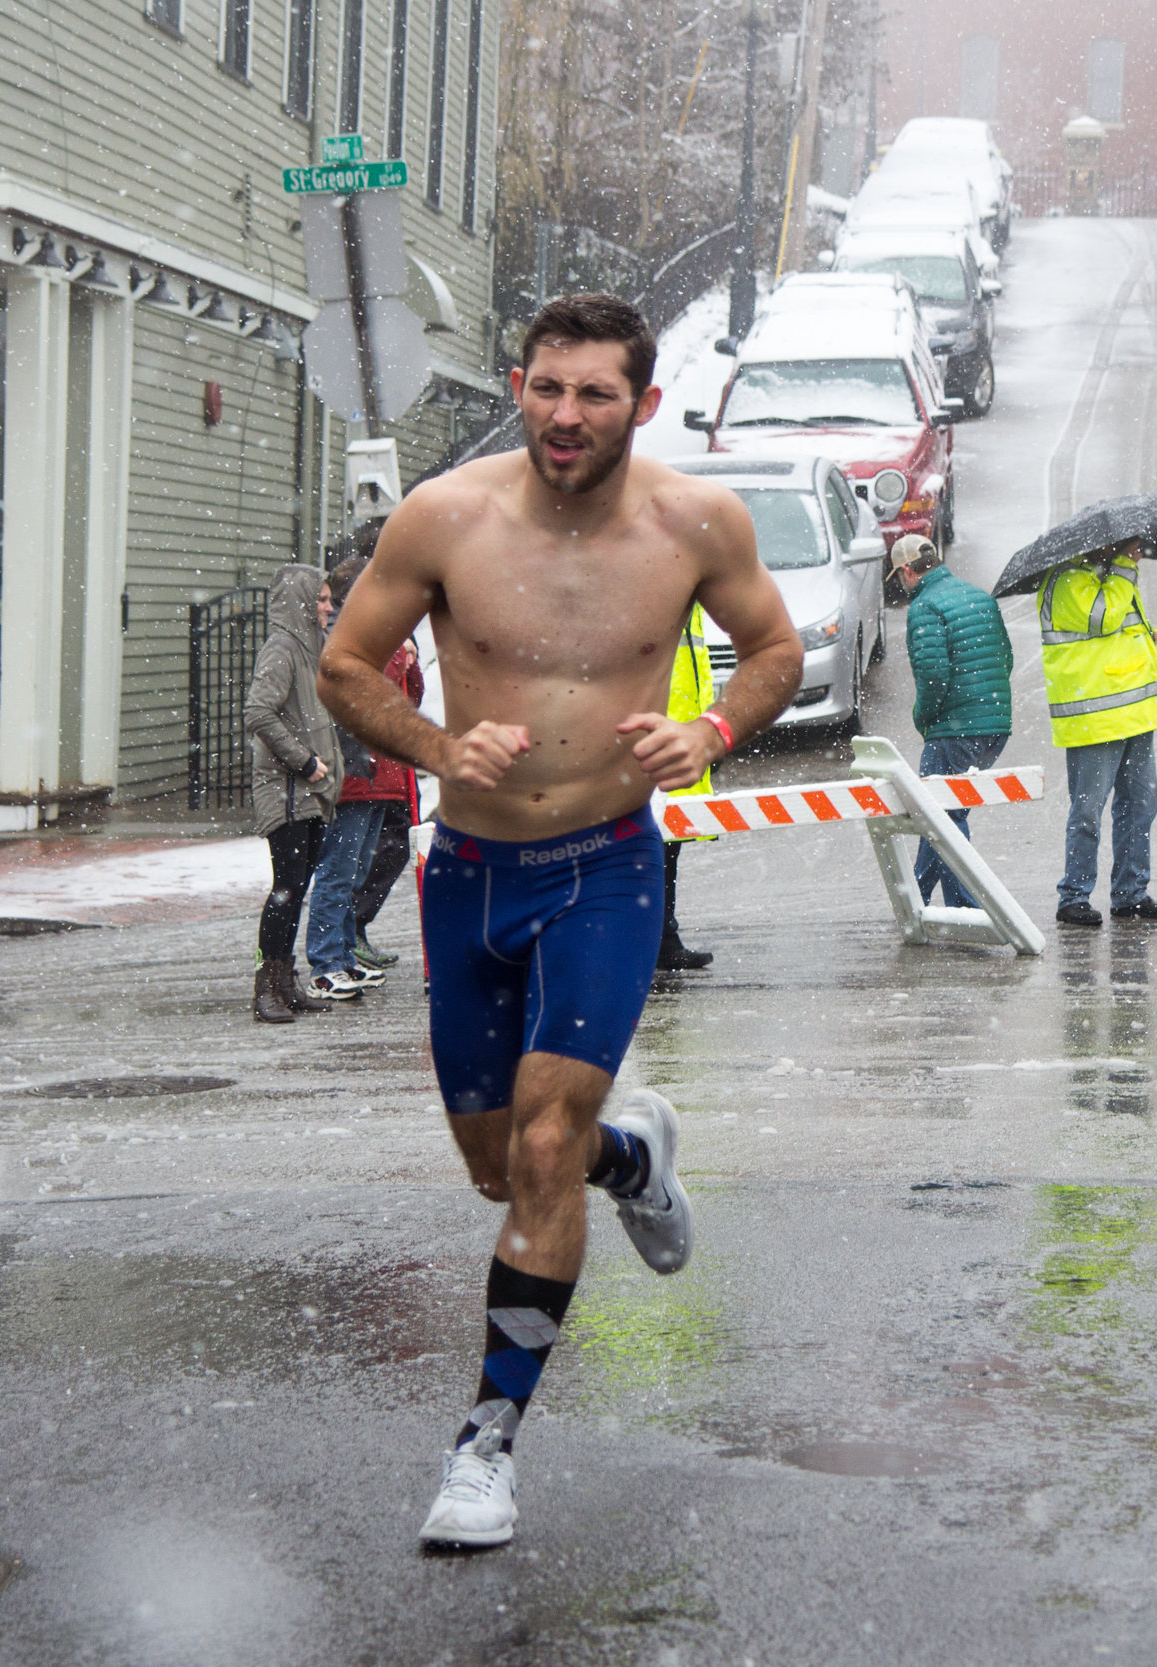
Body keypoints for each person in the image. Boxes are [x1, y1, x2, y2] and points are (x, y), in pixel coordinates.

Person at [318, 292, 803, 1550]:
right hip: (471, 873)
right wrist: (436, 744)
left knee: (542, 1145)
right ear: (517, 385)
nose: (566, 414)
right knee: (502, 1166)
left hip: (606, 866)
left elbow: (773, 650)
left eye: (595, 393)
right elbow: (344, 668)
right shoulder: (445, 517)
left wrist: (711, 729)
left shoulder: (698, 522)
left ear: (641, 402)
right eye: (547, 387)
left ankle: (484, 1445)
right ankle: (630, 1161)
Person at [1038, 539, 1157, 927]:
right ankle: (1074, 897)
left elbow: (1118, 629)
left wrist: (1150, 637)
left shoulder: (1103, 576)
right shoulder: (1068, 579)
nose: (1134, 553)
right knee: (1088, 811)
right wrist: (1125, 566)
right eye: (1127, 546)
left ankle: (1131, 896)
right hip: (1096, 717)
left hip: (1132, 714)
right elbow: (1102, 618)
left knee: (1140, 806)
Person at [244, 560, 344, 1023]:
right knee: (285, 888)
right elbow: (258, 713)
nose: (328, 606)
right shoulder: (281, 649)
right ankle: (266, 987)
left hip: (311, 789)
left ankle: (287, 984)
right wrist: (303, 761)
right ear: (302, 601)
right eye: (321, 599)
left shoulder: (311, 648)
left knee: (297, 886)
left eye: (328, 599)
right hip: (286, 787)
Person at [300, 548, 398, 1001]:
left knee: (354, 871)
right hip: (353, 774)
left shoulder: (369, 636)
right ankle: (326, 963)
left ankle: (342, 957)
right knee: (338, 872)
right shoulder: (341, 643)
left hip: (373, 773)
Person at [896, 534, 1013, 910]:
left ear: (906, 571)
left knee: (943, 820)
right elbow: (1006, 659)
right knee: (943, 814)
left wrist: (923, 718)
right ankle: (917, 898)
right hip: (994, 726)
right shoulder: (978, 596)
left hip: (955, 730)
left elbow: (933, 677)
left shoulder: (924, 607)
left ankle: (967, 909)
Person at [349, 631, 425, 973]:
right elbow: (375, 694)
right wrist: (398, 654)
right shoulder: (360, 633)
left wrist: (410, 664)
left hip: (393, 772)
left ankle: (355, 928)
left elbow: (409, 701)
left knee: (393, 848)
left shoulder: (393, 631)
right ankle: (346, 934)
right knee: (359, 856)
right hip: (369, 772)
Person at [657, 600, 716, 971]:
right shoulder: (658, 593)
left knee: (666, 851)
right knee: (653, 853)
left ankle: (663, 939)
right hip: (660, 747)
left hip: (682, 746)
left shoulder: (689, 604)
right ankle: (658, 940)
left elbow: (697, 677)